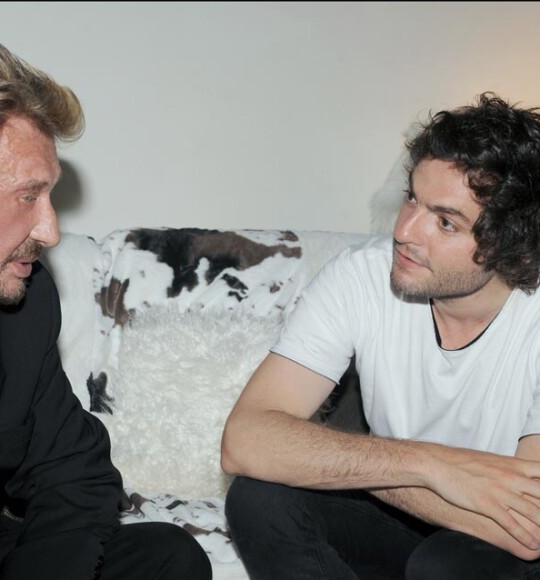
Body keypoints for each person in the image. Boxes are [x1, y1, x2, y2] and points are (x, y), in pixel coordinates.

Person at [221, 92, 540, 579]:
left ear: (511, 245)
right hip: (406, 522)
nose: (405, 231)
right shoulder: (361, 276)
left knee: (445, 564)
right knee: (259, 496)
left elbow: (526, 526)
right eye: (412, 197)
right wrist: (435, 466)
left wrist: (347, 464)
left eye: (445, 221)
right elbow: (246, 441)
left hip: (494, 556)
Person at [0, 38, 212, 580]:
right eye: (29, 196)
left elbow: (72, 470)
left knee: (168, 558)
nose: (50, 231)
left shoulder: (20, 304)